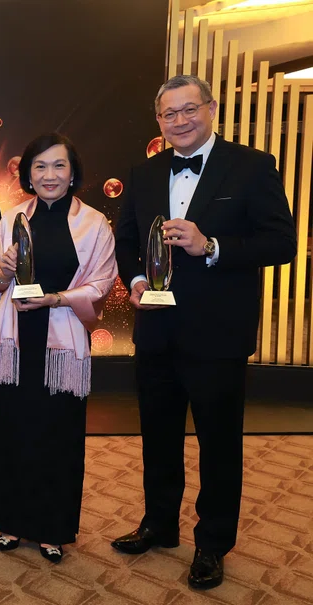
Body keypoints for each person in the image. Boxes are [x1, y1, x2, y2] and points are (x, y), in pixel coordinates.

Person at [112, 75, 296, 589]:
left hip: (218, 334)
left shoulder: (252, 165)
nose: (180, 121)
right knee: (158, 437)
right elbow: (126, 240)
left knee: (219, 445)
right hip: (156, 330)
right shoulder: (144, 172)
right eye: (169, 114)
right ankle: (159, 523)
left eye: (189, 109)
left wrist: (210, 245)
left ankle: (213, 543)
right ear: (159, 121)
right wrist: (137, 280)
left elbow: (280, 242)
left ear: (211, 109)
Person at [0, 133, 116, 562]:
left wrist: (56, 298)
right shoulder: (11, 219)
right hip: (16, 343)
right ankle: (9, 521)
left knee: (58, 434)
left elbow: (102, 283)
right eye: (40, 166)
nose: (49, 175)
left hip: (62, 345)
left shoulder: (94, 223)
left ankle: (51, 527)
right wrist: (2, 273)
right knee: (12, 430)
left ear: (72, 173)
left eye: (58, 165)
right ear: (28, 174)